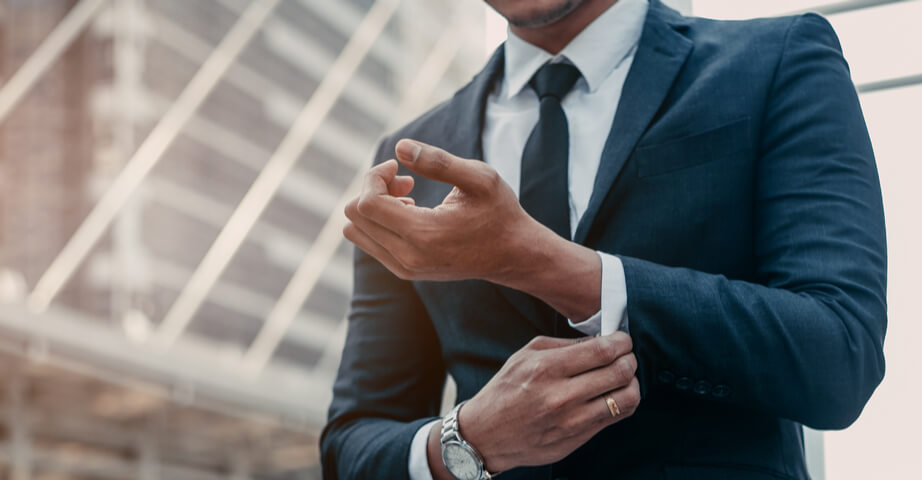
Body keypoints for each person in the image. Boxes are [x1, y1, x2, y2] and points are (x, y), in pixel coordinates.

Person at [321, 0, 887, 478]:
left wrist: (540, 263)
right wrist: (465, 439)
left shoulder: (779, 59)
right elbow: (351, 440)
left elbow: (838, 357)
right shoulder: (410, 154)